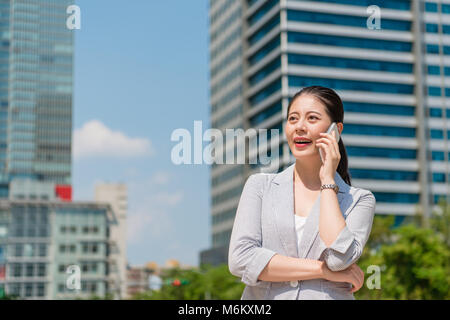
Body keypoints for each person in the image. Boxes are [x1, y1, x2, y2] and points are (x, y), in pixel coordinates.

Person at [228, 86, 376, 300]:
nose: (299, 127)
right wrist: (322, 270)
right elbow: (241, 259)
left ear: (336, 130)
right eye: (293, 119)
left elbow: (338, 260)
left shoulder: (359, 200)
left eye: (312, 118)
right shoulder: (260, 186)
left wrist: (327, 181)